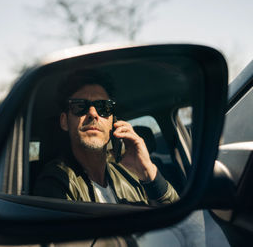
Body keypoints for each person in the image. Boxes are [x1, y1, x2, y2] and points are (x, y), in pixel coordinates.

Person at [33, 70, 179, 205]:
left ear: (113, 121)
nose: (93, 114)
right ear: (64, 121)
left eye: (103, 107)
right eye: (79, 106)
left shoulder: (129, 174)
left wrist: (148, 172)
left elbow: (182, 222)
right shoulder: (56, 182)